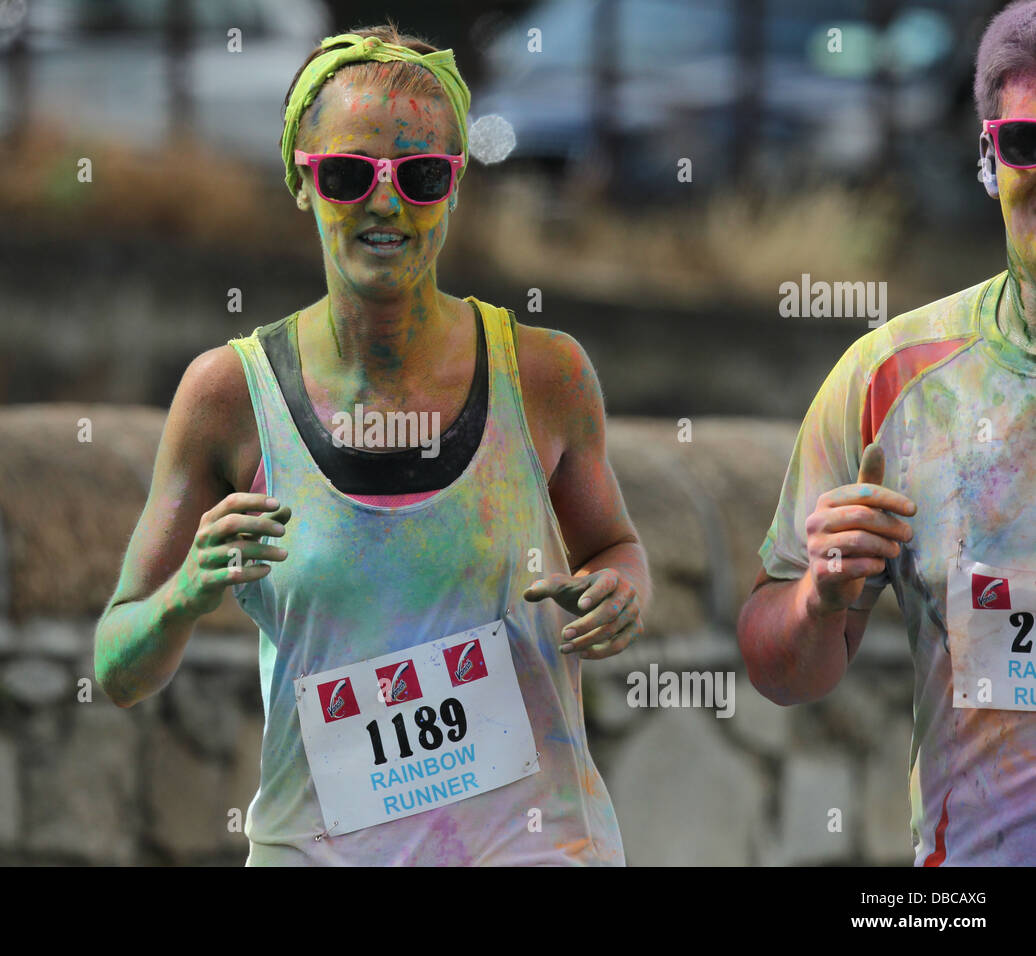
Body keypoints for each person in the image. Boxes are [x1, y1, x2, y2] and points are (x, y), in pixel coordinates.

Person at [93, 23, 650, 865]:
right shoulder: (229, 396)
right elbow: (116, 664)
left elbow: (616, 548)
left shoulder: (545, 375)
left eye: (421, 176)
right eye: (350, 175)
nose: (385, 203)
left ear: (455, 186)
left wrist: (618, 590)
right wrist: (183, 595)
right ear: (303, 184)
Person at [738, 0, 1036, 866]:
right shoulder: (891, 380)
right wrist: (818, 599)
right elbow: (781, 671)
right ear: (988, 159)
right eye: (1026, 144)